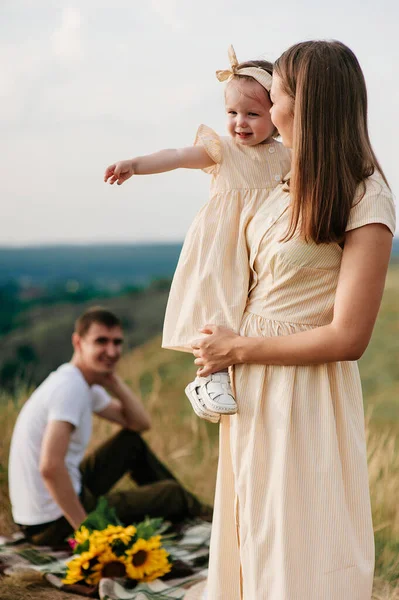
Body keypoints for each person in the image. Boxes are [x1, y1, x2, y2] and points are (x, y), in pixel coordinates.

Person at [186, 41, 396, 599]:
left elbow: (349, 337)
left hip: (306, 388)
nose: (267, 107)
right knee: (253, 527)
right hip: (250, 382)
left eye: (274, 95)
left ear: (302, 105)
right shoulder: (280, 185)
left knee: (302, 537)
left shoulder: (364, 194)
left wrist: (241, 350)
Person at [104, 46, 291, 423]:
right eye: (232, 113)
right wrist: (136, 165)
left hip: (267, 240)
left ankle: (248, 369)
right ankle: (210, 375)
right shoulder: (222, 149)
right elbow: (176, 155)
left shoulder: (286, 155)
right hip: (226, 243)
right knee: (221, 301)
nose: (240, 122)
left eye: (253, 114)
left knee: (255, 308)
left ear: (277, 115)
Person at [8, 307, 211, 547]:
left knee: (129, 443)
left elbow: (139, 424)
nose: (112, 351)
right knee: (170, 493)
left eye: (117, 343)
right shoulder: (69, 389)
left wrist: (113, 381)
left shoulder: (80, 382)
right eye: (101, 341)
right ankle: (205, 517)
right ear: (78, 342)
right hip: (50, 523)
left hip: (47, 508)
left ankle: (187, 511)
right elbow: (50, 467)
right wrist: (87, 532)